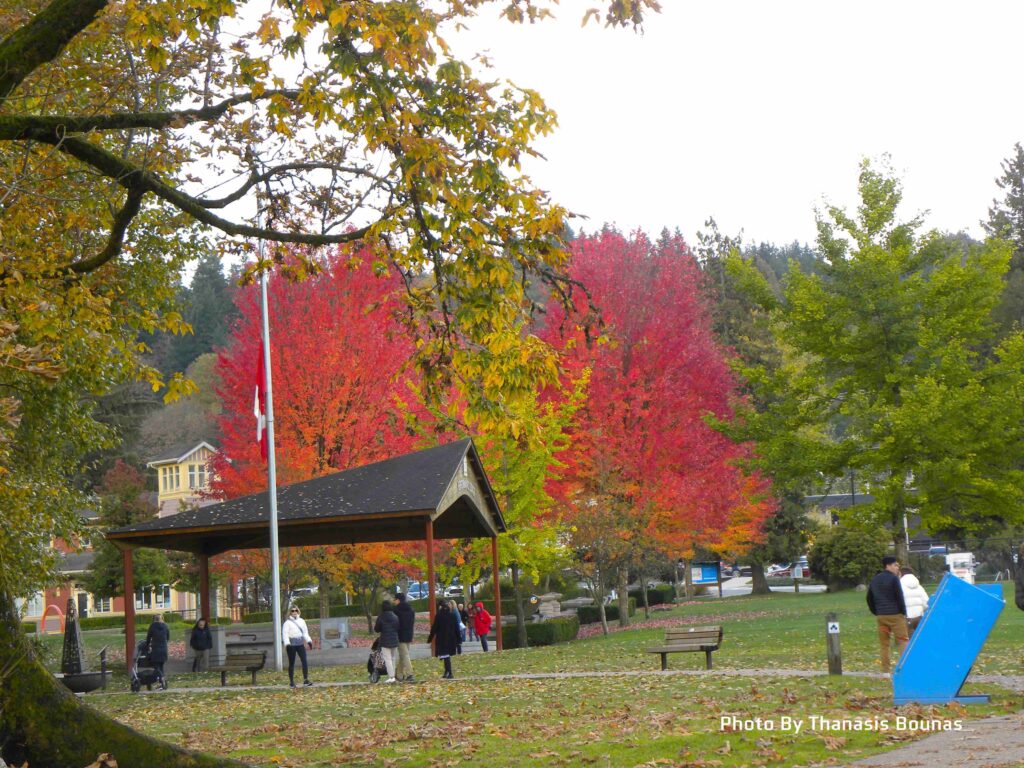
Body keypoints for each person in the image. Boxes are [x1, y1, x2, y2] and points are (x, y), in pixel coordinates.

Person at [867, 556, 909, 674]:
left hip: (881, 616)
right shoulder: (894, 579)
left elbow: (869, 598)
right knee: (903, 641)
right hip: (896, 616)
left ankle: (885, 671)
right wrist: (903, 612)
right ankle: (904, 670)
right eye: (895, 565)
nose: (897, 567)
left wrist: (876, 611)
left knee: (884, 645)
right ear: (888, 566)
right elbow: (899, 597)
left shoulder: (874, 579)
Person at [427, 601, 461, 679]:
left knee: (445, 656)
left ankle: (450, 672)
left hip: (442, 639)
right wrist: (459, 639)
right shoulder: (452, 615)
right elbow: (457, 628)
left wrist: (430, 638)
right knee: (446, 655)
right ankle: (447, 671)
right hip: (451, 638)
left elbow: (434, 628)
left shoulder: (439, 615)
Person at [282, 605, 313, 687]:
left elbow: (305, 633)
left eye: (296, 610)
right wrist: (287, 644)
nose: (294, 612)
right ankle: (291, 682)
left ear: (298, 611)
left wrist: (309, 641)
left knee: (304, 661)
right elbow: (285, 634)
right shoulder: (287, 623)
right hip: (291, 644)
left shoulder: (302, 621)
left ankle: (306, 680)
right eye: (292, 611)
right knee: (291, 663)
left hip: (300, 643)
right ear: (290, 612)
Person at [374, 600, 401, 683]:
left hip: (385, 641)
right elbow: (398, 627)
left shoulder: (381, 617)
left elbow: (376, 629)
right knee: (393, 658)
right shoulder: (395, 616)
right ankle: (393, 676)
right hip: (394, 640)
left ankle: (391, 676)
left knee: (387, 659)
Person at [394, 593, 416, 682]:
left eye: (395, 599)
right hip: (409, 634)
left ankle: (410, 674)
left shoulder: (396, 610)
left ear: (398, 600)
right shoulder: (411, 609)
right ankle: (399, 675)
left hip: (400, 635)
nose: (394, 601)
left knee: (405, 655)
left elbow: (395, 623)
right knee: (403, 655)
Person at [900, 566, 929, 633]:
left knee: (908, 640)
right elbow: (926, 602)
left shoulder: (899, 585)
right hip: (919, 616)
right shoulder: (919, 586)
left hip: (907, 617)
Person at [144, 613, 170, 689]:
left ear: (154, 619)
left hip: (156, 649)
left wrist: (147, 646)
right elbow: (168, 637)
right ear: (162, 618)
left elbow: (148, 638)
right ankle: (162, 684)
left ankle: (162, 681)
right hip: (164, 649)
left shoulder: (152, 626)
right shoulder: (165, 626)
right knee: (161, 667)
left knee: (156, 667)